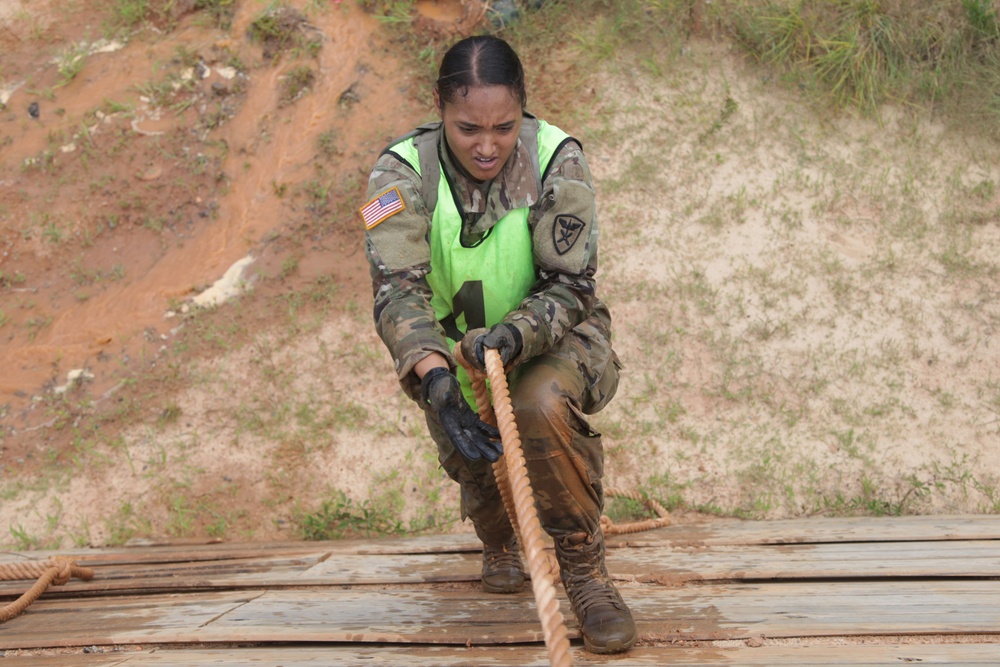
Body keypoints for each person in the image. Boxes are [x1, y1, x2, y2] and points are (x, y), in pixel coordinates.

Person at [360, 35, 635, 654]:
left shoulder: (556, 159)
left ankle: (584, 569)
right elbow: (397, 292)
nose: (487, 146)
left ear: (524, 111)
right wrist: (433, 378)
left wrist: (514, 337)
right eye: (467, 129)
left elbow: (571, 284)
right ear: (439, 109)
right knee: (471, 452)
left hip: (551, 338)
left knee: (536, 409)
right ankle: (502, 538)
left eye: (504, 127)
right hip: (453, 352)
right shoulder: (398, 175)